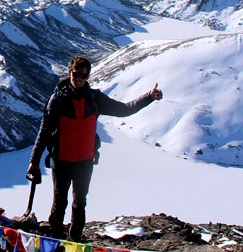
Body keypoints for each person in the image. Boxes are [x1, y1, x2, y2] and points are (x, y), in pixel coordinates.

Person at [26, 55, 163, 241]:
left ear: (88, 76)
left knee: (79, 203)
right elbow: (44, 132)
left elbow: (124, 109)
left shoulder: (95, 99)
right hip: (62, 161)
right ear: (69, 73)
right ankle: (55, 240)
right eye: (76, 74)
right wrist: (34, 162)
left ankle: (75, 241)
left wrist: (149, 97)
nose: (79, 79)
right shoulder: (57, 100)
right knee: (59, 203)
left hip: (84, 161)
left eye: (83, 75)